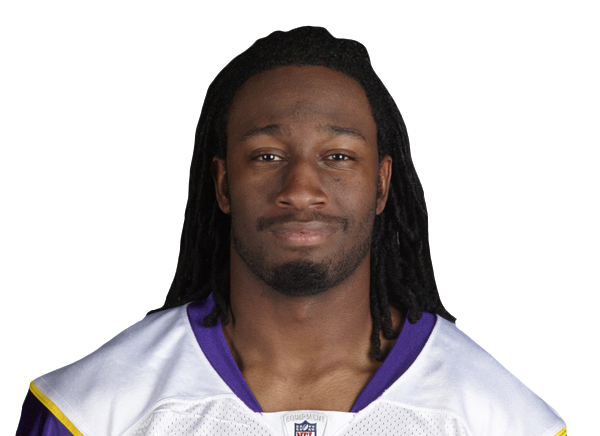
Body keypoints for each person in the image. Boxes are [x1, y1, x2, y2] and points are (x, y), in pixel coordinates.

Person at [16, 25, 566, 436]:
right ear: (223, 184)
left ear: (381, 186)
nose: (301, 189)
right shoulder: (88, 410)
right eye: (267, 155)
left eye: (338, 156)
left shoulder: (505, 418)